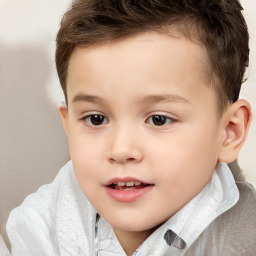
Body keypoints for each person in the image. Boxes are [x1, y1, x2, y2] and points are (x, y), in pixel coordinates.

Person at [6, 0, 256, 255]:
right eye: (96, 119)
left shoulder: (244, 239)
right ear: (68, 124)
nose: (121, 149)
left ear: (229, 132)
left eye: (159, 119)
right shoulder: (37, 227)